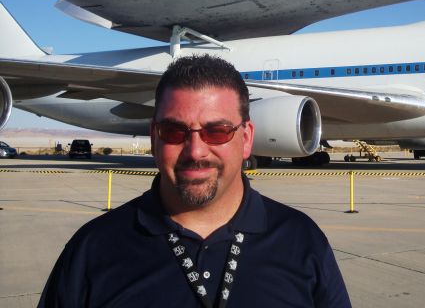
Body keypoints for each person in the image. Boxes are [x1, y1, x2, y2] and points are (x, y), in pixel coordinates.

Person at [39, 55, 351, 307]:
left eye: (217, 131)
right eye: (174, 132)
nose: (196, 151)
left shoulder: (301, 240)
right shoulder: (94, 248)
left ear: (247, 140)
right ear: (154, 137)